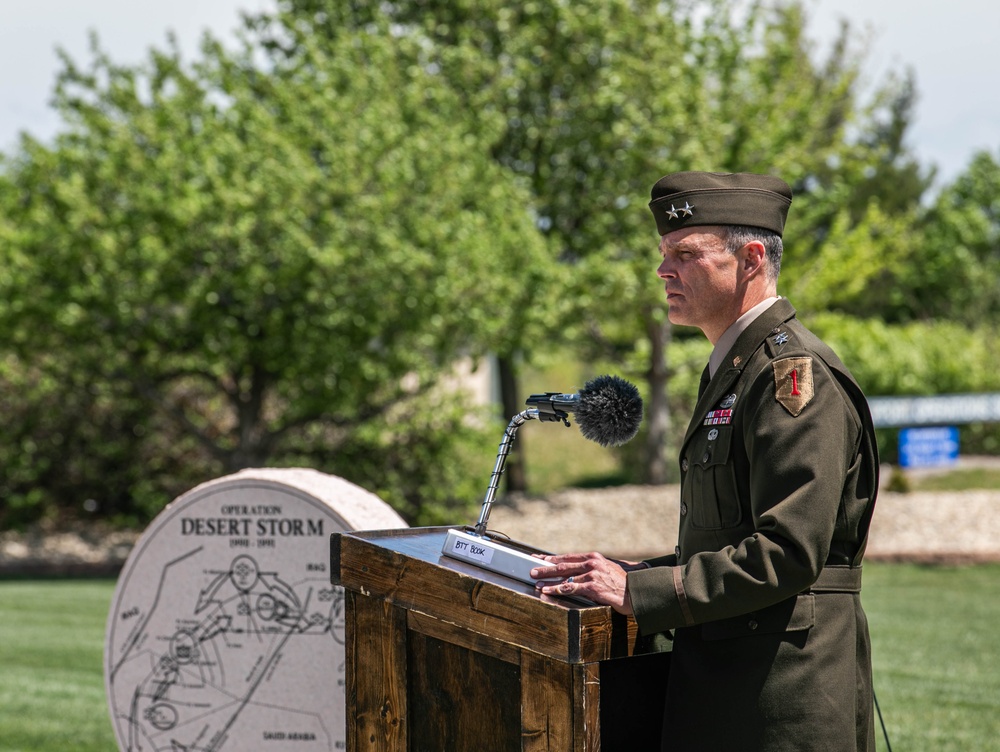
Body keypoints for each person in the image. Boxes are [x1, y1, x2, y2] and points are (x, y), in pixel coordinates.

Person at [530, 171, 880, 751]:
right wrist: (624, 577)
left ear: (749, 259)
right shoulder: (734, 369)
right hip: (727, 686)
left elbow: (788, 552)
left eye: (685, 255)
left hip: (780, 699)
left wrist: (643, 594)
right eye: (664, 254)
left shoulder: (788, 377)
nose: (663, 271)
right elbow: (723, 538)